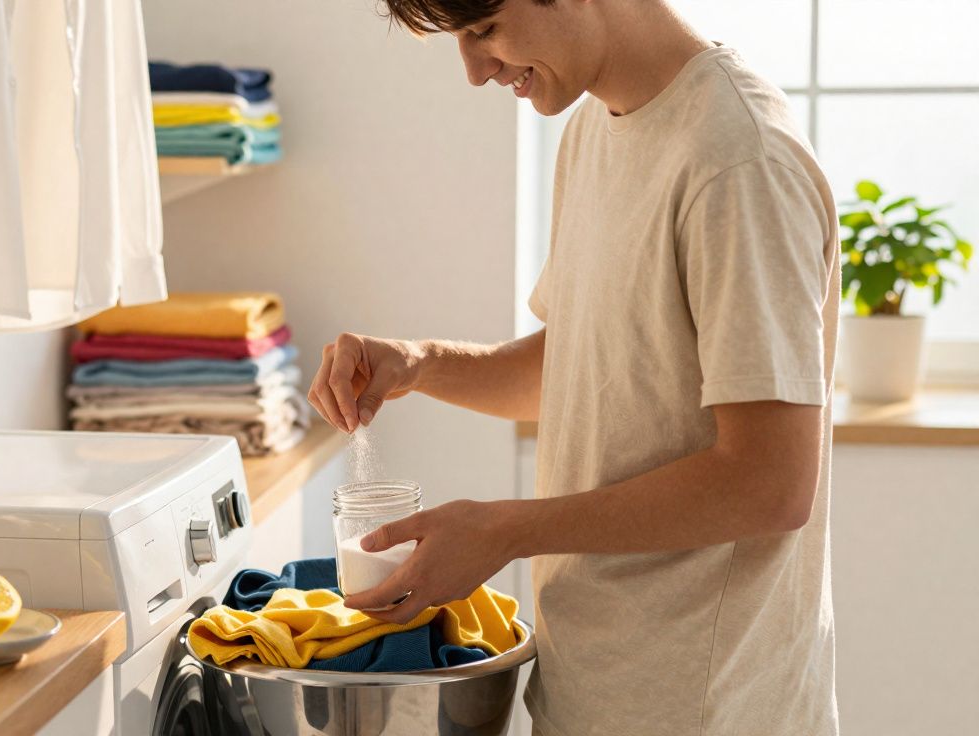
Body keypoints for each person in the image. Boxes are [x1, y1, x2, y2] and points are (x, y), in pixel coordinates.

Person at [306, 1, 840, 734]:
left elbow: (770, 483)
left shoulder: (738, 160)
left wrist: (506, 531)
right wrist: (421, 364)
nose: (475, 70)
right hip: (592, 689)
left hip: (704, 707)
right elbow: (588, 367)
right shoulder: (596, 126)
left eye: (484, 30)